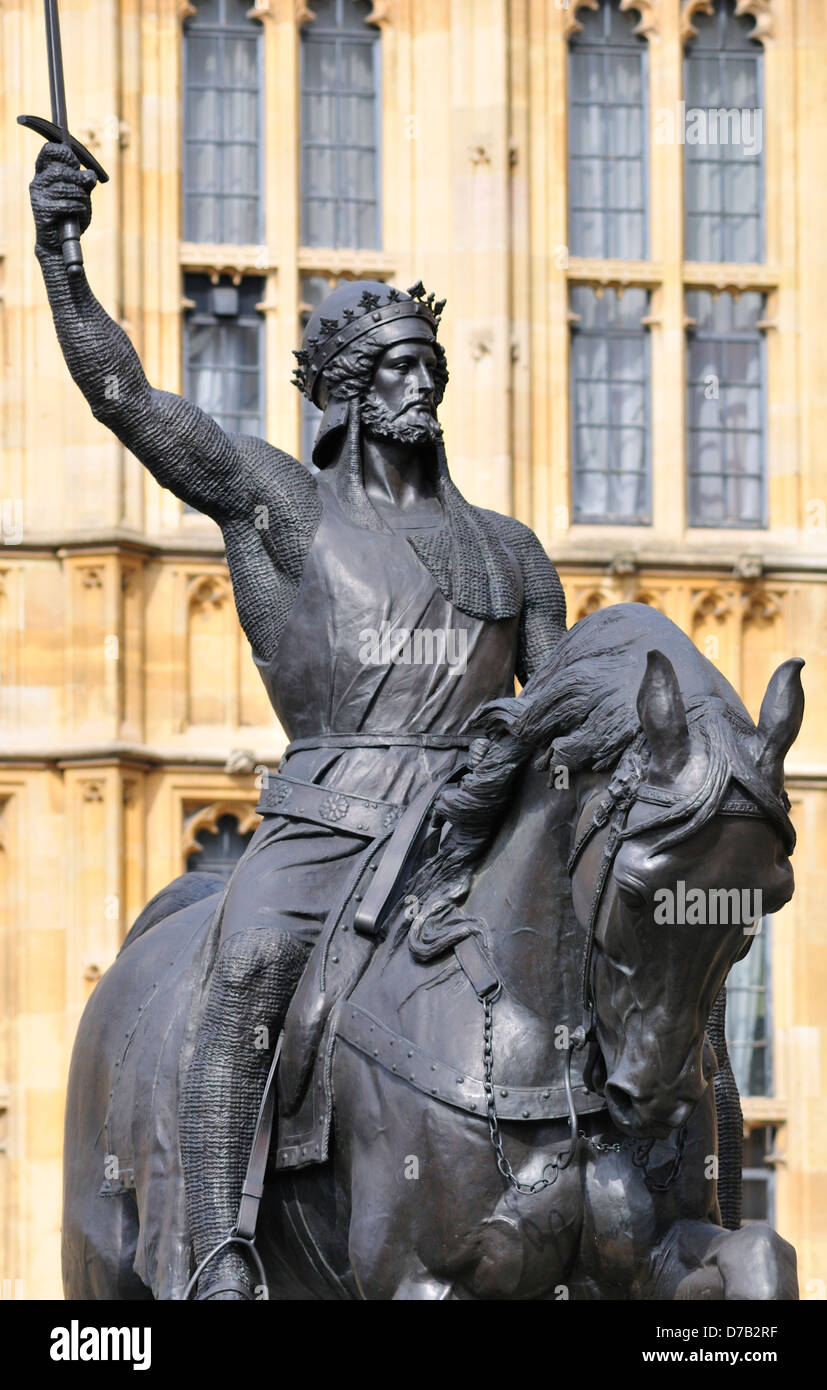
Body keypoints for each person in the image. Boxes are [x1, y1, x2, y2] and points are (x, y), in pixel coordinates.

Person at [30, 141, 568, 1298]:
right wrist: (64, 261)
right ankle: (218, 1247)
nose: (417, 385)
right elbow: (129, 398)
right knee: (246, 969)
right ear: (343, 394)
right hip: (329, 825)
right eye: (389, 369)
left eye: (426, 365)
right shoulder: (284, 503)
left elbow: (561, 715)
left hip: (467, 831)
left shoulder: (511, 553)